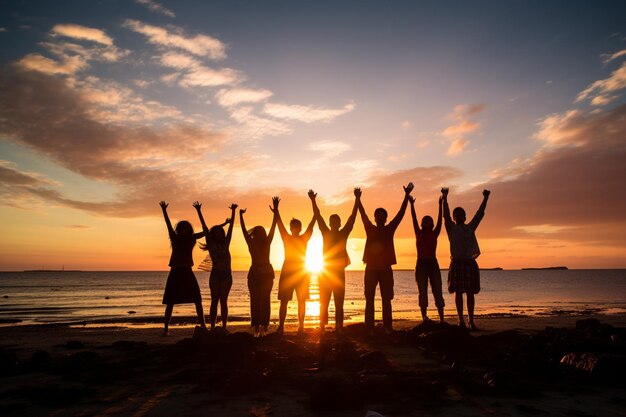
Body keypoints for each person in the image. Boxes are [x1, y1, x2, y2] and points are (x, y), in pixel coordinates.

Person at [357, 183, 414, 333]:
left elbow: (401, 214)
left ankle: (387, 326)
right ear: (375, 217)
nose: (380, 217)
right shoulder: (370, 228)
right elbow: (362, 214)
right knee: (369, 298)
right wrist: (357, 199)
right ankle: (369, 327)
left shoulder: (390, 228)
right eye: (378, 215)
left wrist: (406, 196)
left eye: (383, 215)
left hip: (385, 269)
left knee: (386, 298)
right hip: (370, 268)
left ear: (386, 218)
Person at [309, 189, 358, 333]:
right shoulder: (325, 231)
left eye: (337, 221)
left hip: (338, 273)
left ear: (339, 223)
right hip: (325, 272)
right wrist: (313, 200)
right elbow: (318, 216)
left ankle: (339, 327)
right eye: (332, 221)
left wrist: (357, 199)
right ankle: (322, 326)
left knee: (339, 302)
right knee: (323, 301)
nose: (335, 223)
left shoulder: (344, 233)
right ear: (330, 223)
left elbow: (352, 218)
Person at [441, 187, 491, 330]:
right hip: (457, 263)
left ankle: (470, 320)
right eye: (456, 214)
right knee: (457, 292)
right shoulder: (451, 228)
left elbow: (479, 214)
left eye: (461, 214)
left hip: (469, 263)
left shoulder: (470, 227)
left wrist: (485, 198)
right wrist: (445, 198)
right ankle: (460, 321)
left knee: (470, 292)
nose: (458, 216)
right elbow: (445, 215)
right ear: (454, 217)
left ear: (465, 216)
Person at [159, 201, 207, 336]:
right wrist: (164, 210)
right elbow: (168, 224)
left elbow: (206, 232)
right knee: (170, 301)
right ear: (179, 229)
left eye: (187, 227)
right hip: (175, 271)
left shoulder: (192, 238)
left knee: (197, 298)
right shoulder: (174, 238)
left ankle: (203, 325)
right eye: (183, 227)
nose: (185, 229)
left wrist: (198, 211)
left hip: (187, 271)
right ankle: (166, 329)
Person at [272, 195, 316, 334]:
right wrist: (277, 210)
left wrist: (313, 201)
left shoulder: (304, 238)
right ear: (291, 228)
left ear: (300, 228)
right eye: (293, 227)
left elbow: (313, 222)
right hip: (287, 272)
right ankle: (281, 326)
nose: (295, 229)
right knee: (284, 300)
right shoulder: (286, 237)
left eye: (297, 227)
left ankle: (301, 326)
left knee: (302, 300)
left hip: (302, 272)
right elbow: (279, 224)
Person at [194, 201, 237, 332]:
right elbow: (205, 227)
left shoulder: (226, 242)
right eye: (216, 231)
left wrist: (233, 211)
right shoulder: (211, 243)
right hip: (215, 275)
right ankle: (212, 327)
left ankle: (224, 327)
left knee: (223, 301)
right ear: (213, 234)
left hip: (226, 275)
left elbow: (231, 227)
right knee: (214, 301)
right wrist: (199, 211)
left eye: (220, 231)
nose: (219, 233)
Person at [240, 199, 278, 337]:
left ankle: (264, 325)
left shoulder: (267, 242)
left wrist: (276, 211)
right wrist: (240, 216)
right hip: (255, 274)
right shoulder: (251, 243)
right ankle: (257, 325)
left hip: (266, 274)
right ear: (256, 234)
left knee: (265, 299)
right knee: (255, 299)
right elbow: (244, 231)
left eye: (262, 231)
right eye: (259, 232)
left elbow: (273, 228)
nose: (261, 234)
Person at [409, 195, 445, 322]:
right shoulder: (418, 233)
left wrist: (440, 204)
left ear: (432, 223)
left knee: (437, 290)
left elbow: (440, 220)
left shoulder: (435, 233)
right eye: (425, 220)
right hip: (421, 263)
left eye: (429, 220)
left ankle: (441, 318)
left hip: (433, 263)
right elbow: (413, 218)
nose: (427, 221)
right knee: (422, 292)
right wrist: (411, 204)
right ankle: (424, 317)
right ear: (422, 223)